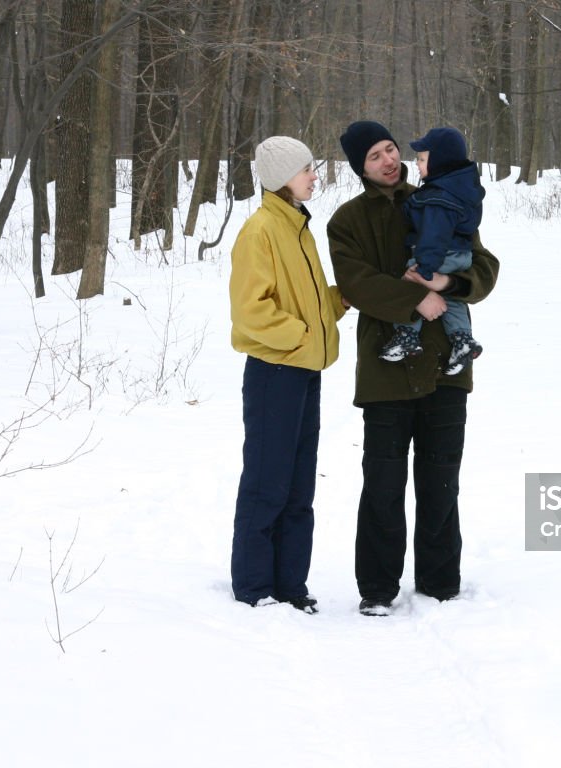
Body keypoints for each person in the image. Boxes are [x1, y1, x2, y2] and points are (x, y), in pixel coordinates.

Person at [326, 120, 499, 616]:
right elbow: (357, 284)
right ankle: (378, 588)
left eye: (389, 149)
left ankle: (440, 581)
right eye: (374, 156)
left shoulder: (442, 198)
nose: (386, 160)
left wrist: (448, 285)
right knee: (382, 482)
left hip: (447, 363)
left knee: (442, 478)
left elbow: (484, 268)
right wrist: (415, 300)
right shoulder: (348, 220)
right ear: (360, 168)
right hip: (386, 369)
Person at [229, 136, 347, 615]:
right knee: (267, 482)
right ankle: (255, 586)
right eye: (306, 170)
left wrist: (342, 300)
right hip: (275, 372)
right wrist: (301, 335)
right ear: (282, 177)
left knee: (299, 485)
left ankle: (291, 585)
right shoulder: (260, 232)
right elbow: (250, 312)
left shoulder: (299, 228)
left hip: (304, 371)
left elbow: (309, 300)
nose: (314, 176)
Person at [379, 126, 485, 376]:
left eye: (422, 159)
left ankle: (406, 334)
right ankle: (462, 338)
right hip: (459, 255)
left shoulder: (439, 198)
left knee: (414, 287)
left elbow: (434, 235)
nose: (416, 163)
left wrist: (424, 268)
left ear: (440, 162)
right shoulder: (458, 188)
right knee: (451, 297)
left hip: (439, 255)